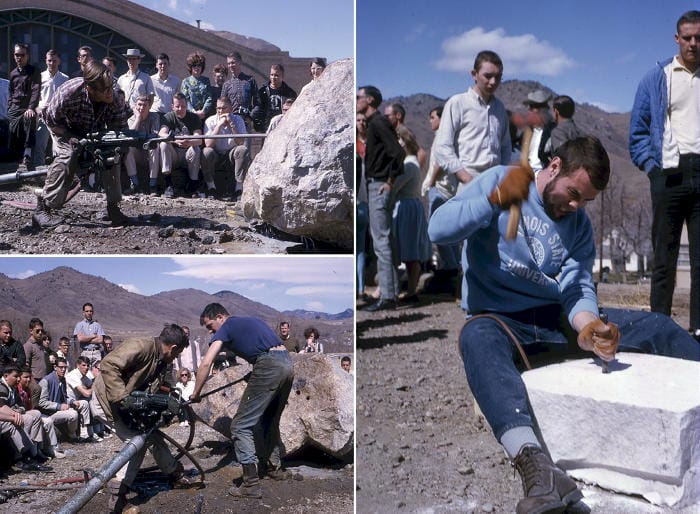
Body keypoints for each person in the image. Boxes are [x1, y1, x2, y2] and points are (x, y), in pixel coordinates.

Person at [428, 136, 700, 513]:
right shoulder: (501, 181)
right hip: (501, 321)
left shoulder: (578, 225)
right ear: (553, 167)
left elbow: (577, 287)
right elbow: (438, 230)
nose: (575, 205)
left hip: (555, 321)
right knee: (475, 337)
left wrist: (589, 327)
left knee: (659, 328)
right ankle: (537, 469)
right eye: (573, 193)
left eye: (585, 201)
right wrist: (492, 199)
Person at [629, 9, 700, 340]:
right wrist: (651, 167)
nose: (693, 43)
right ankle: (659, 330)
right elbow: (638, 130)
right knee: (664, 260)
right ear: (677, 39)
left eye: (699, 37)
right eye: (687, 37)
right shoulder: (658, 77)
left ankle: (697, 332)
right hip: (668, 173)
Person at [191, 303, 294, 498]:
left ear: (220, 317)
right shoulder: (250, 320)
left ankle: (250, 485)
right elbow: (265, 349)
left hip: (269, 365)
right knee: (269, 419)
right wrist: (258, 370)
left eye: (209, 325)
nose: (210, 330)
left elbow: (206, 362)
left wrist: (196, 393)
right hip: (286, 363)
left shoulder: (227, 326)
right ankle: (274, 468)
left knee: (239, 426)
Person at [93, 324, 197, 512]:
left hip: (124, 402)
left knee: (151, 435)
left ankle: (174, 472)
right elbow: (108, 365)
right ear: (173, 348)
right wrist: (122, 398)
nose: (176, 358)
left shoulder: (162, 360)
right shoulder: (141, 346)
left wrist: (171, 399)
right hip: (106, 399)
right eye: (177, 353)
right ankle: (118, 497)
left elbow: (160, 384)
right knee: (137, 443)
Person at [34, 59, 130, 228]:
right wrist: (69, 136)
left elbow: (120, 127)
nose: (110, 93)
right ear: (89, 88)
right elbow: (50, 120)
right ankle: (44, 209)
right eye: (104, 89)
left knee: (111, 158)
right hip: (64, 129)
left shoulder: (114, 96)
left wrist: (118, 148)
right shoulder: (69, 93)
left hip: (96, 131)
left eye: (110, 86)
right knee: (67, 156)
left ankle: (112, 208)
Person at [432, 50, 511, 193]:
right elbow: (442, 147)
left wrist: (502, 177)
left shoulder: (500, 108)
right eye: (488, 76)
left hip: (495, 184)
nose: (493, 82)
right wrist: (466, 178)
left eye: (498, 77)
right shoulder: (458, 103)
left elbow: (505, 147)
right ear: (474, 74)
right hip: (467, 184)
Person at [357, 85, 405, 311]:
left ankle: (387, 296)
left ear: (370, 100)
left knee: (381, 241)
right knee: (384, 239)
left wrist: (389, 182)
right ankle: (391, 291)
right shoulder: (375, 124)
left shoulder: (378, 122)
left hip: (379, 186)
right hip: (376, 185)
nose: (356, 100)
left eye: (359, 97)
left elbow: (398, 152)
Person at [421, 105, 461, 290]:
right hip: (446, 188)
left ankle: (451, 265)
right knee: (448, 230)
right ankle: (452, 265)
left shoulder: (443, 138)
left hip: (440, 187)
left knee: (436, 230)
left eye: (433, 117)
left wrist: (431, 181)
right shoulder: (448, 137)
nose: (430, 121)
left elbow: (439, 162)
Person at [392, 125, 431, 301]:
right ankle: (410, 289)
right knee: (409, 250)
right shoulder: (411, 162)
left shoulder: (408, 164)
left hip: (407, 207)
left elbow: (394, 187)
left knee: (409, 251)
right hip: (409, 206)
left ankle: (411, 290)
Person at [0, 365, 52, 472]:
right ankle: (23, 457)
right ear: (6, 376)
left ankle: (34, 452)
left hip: (11, 414)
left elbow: (21, 405)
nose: (18, 379)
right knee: (20, 421)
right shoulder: (2, 387)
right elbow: (2, 406)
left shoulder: (12, 386)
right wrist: (14, 414)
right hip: (6, 416)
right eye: (15, 376)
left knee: (34, 414)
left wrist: (17, 412)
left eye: (19, 376)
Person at [201, 96, 250, 199]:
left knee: (243, 150)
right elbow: (208, 144)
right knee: (206, 152)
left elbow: (240, 142)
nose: (220, 111)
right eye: (218, 108)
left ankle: (238, 189)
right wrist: (218, 126)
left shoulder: (238, 119)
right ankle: (211, 188)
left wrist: (231, 125)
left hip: (231, 153)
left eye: (224, 108)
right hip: (216, 153)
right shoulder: (210, 121)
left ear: (231, 109)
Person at [158, 92, 203, 198]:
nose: (180, 109)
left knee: (196, 149)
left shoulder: (194, 117)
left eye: (183, 106)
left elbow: (199, 139)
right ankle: (168, 184)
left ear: (186, 106)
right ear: (172, 106)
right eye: (177, 106)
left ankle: (193, 185)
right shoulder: (168, 116)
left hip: (187, 153)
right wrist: (175, 141)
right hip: (173, 153)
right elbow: (161, 133)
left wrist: (189, 142)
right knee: (163, 144)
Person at [38, 357, 92, 443]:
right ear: (55, 367)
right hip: (48, 413)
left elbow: (64, 397)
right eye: (61, 367)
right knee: (73, 414)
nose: (63, 370)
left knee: (84, 403)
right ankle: (72, 436)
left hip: (59, 409)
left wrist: (71, 401)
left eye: (65, 367)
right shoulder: (46, 381)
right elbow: (41, 403)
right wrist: (59, 406)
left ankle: (84, 434)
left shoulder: (62, 379)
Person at [8, 42, 41, 169]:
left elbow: (35, 90)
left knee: (30, 117)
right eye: (16, 55)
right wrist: (10, 107)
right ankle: (14, 160)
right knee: (12, 134)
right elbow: (11, 92)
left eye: (22, 55)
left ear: (28, 56)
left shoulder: (34, 71)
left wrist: (31, 107)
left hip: (27, 107)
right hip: (14, 109)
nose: (19, 58)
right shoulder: (13, 74)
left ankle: (27, 154)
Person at [34, 49, 69, 168]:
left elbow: (66, 99)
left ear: (59, 61)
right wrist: (37, 108)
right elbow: (35, 97)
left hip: (58, 117)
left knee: (58, 146)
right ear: (46, 61)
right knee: (40, 145)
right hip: (43, 116)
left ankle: (58, 172)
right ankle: (38, 174)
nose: (52, 63)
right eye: (49, 60)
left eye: (54, 60)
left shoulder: (64, 78)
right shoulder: (40, 77)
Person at [124, 95, 161, 194]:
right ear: (135, 106)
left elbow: (154, 136)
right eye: (139, 105)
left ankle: (152, 185)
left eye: (145, 105)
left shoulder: (155, 117)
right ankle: (135, 184)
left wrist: (139, 137)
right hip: (137, 153)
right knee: (127, 148)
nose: (142, 108)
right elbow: (130, 137)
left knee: (154, 147)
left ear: (149, 107)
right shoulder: (131, 118)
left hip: (149, 152)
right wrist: (138, 118)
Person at [252, 64, 297, 132]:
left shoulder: (289, 93)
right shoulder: (262, 91)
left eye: (276, 75)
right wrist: (259, 127)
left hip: (283, 128)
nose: (273, 77)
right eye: (271, 75)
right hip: (265, 129)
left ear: (282, 76)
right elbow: (257, 110)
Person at [520, 90, 556, 171]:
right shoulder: (527, 131)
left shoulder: (554, 131)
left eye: (533, 107)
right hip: (527, 174)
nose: (529, 110)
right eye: (529, 107)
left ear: (544, 109)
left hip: (545, 174)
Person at [220, 51, 257, 128]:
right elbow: (222, 104)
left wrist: (250, 117)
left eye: (233, 62)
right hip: (231, 122)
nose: (230, 65)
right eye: (229, 63)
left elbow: (258, 102)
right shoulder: (226, 84)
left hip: (246, 122)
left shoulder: (250, 81)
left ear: (240, 62)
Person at [356, 111, 370, 299]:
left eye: (363, 120)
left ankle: (361, 287)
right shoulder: (356, 147)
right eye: (358, 120)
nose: (361, 123)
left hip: (365, 201)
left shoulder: (370, 146)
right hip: (359, 200)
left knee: (361, 248)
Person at [180, 51, 212, 121]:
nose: (197, 67)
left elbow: (209, 98)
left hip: (205, 115)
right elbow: (185, 100)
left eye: (199, 65)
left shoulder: (206, 80)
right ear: (190, 67)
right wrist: (194, 112)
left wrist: (203, 111)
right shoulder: (185, 81)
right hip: (190, 115)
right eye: (194, 65)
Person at [150, 53, 181, 118]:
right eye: (160, 64)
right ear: (156, 65)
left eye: (165, 63)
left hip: (170, 115)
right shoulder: (150, 80)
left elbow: (178, 99)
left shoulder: (176, 81)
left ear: (169, 65)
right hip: (154, 113)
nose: (163, 66)